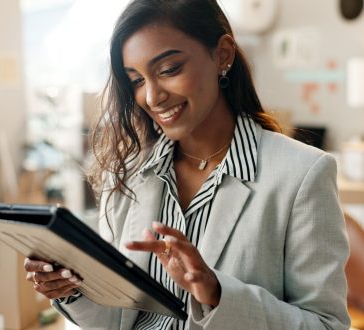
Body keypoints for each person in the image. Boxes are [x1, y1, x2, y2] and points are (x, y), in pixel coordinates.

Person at [24, 0, 351, 329]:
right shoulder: (126, 172)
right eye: (136, 80)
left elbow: (327, 325)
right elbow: (117, 319)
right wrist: (71, 290)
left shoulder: (302, 174)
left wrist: (217, 294)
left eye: (168, 70)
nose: (152, 97)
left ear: (222, 54)